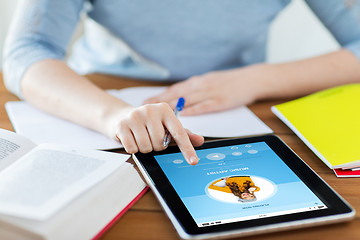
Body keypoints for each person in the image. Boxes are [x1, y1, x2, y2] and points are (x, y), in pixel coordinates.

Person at [3, 1, 360, 166]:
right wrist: (113, 115)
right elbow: (25, 51)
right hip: (95, 98)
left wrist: (256, 79)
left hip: (237, 108)